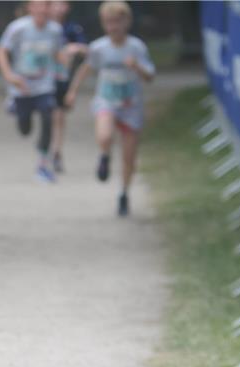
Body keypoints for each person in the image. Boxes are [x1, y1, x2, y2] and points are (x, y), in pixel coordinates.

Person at [66, 0, 155, 217]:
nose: (113, 27)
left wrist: (137, 67)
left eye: (117, 21)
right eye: (108, 22)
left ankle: (124, 193)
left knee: (129, 157)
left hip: (130, 106)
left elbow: (150, 76)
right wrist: (72, 91)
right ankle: (104, 156)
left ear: (127, 22)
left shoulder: (136, 47)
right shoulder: (99, 48)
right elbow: (85, 69)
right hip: (106, 101)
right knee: (104, 135)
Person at [0, 0, 66, 183]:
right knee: (25, 130)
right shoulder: (18, 28)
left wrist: (64, 61)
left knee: (48, 116)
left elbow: (58, 53)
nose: (43, 9)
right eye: (39, 4)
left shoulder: (55, 30)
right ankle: (14, 105)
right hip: (22, 87)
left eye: (47, 5)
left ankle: (42, 165)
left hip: (44, 86)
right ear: (30, 7)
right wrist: (9, 76)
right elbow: (0, 51)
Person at [48, 0, 87, 173]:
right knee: (45, 117)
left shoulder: (72, 29)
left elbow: (87, 50)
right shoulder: (41, 27)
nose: (58, 8)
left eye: (62, 4)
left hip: (61, 80)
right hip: (41, 80)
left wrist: (75, 47)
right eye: (55, 4)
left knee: (58, 116)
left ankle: (56, 152)